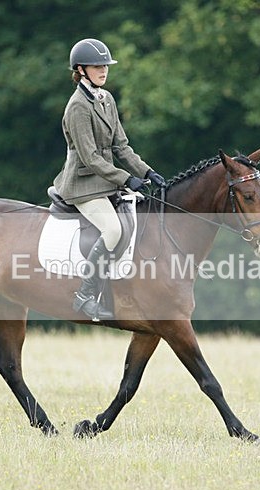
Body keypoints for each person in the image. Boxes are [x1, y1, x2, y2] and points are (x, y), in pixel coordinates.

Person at [53, 38, 165, 321]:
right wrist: (127, 180)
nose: (103, 70)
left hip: (107, 181)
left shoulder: (106, 99)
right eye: (96, 66)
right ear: (80, 69)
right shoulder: (77, 106)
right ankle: (85, 295)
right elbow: (90, 158)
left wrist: (146, 172)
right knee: (113, 231)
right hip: (83, 185)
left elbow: (121, 147)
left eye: (105, 65)